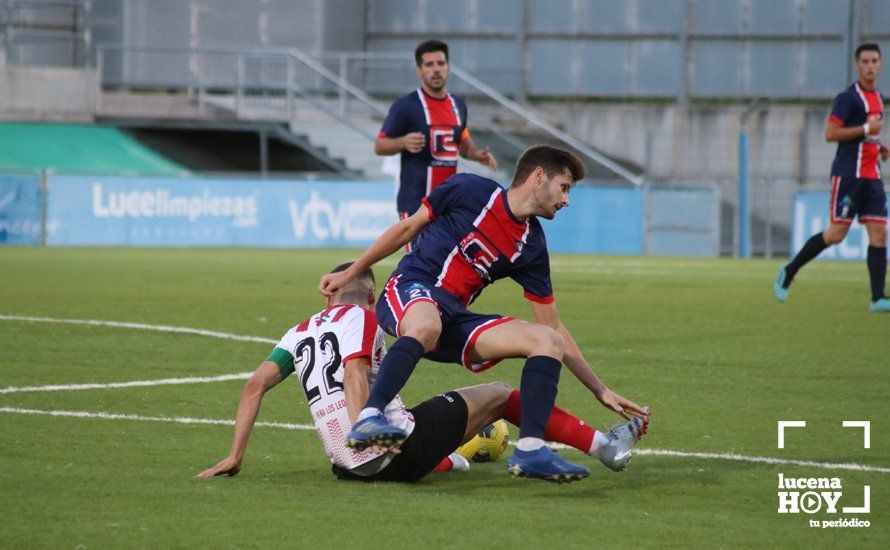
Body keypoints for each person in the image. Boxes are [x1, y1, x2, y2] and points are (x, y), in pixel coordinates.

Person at [319, 145, 648, 483]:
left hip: (452, 319)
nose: (566, 200)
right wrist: (351, 272)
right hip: (410, 288)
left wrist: (599, 389)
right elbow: (407, 229)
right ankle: (370, 416)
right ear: (538, 176)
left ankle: (532, 449)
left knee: (546, 340)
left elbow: (554, 326)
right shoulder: (470, 190)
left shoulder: (531, 245)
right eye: (564, 187)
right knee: (427, 322)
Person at [198, 263, 648, 484]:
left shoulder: (296, 333)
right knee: (498, 392)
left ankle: (459, 455)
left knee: (423, 416)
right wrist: (367, 433)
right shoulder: (366, 319)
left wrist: (236, 456)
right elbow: (355, 373)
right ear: (372, 297)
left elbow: (255, 385)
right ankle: (605, 446)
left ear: (328, 299)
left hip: (346, 467)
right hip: (387, 451)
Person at [776, 43, 890, 312]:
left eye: (875, 61)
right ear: (857, 65)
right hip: (849, 175)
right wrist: (865, 128)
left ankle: (877, 298)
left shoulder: (878, 97)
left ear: (881, 64)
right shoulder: (847, 98)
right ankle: (789, 271)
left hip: (872, 175)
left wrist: (879, 145)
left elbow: (867, 135)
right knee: (837, 234)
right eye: (865, 61)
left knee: (880, 233)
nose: (870, 66)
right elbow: (830, 133)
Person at [375, 39, 498, 251]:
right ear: (419, 71)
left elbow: (463, 142)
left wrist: (477, 154)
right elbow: (380, 145)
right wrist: (402, 142)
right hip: (416, 202)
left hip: (450, 202)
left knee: (449, 264)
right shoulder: (406, 106)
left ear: (448, 68)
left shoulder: (458, 105)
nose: (436, 69)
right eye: (429, 64)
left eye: (440, 63)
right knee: (418, 263)